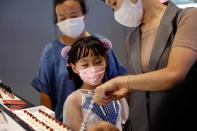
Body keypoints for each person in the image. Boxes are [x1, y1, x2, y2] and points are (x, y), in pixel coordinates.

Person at [94, 0, 197, 131]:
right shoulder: (131, 39)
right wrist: (127, 89)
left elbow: (175, 74)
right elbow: (143, 81)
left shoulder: (188, 18)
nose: (116, 12)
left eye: (114, 3)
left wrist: (122, 81)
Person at [31, 0, 127, 121]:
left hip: (105, 120)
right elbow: (45, 92)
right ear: (73, 67)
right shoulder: (50, 51)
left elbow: (119, 81)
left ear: (84, 14)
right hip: (64, 122)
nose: (68, 21)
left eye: (73, 15)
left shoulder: (99, 43)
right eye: (62, 17)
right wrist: (47, 122)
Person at [62, 36, 129, 131]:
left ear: (105, 61)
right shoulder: (74, 100)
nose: (92, 68)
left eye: (97, 62)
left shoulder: (117, 92)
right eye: (85, 65)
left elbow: (127, 124)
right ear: (74, 68)